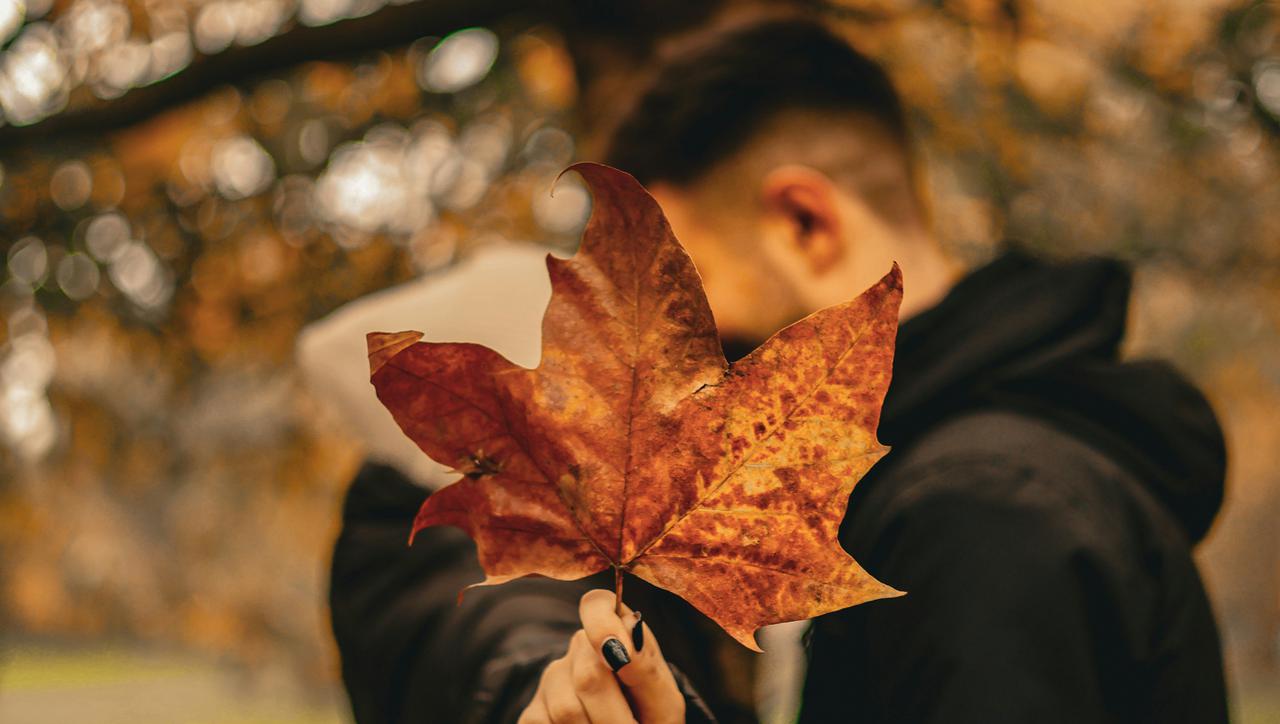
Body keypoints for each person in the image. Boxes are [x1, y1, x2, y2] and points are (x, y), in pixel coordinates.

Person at [321, 16, 1230, 724]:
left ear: (805, 222)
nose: (680, 370)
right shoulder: (988, 472)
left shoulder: (976, 510)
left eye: (688, 300)